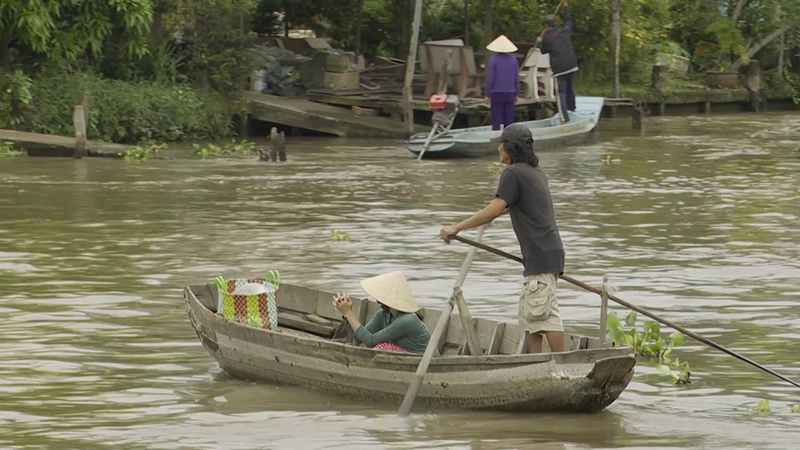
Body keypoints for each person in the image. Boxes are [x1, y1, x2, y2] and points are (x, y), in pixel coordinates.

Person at [438, 124, 565, 354]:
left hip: (540, 255)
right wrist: (484, 217)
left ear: (511, 148)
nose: (498, 148)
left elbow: (496, 208)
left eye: (501, 143)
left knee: (544, 316)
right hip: (546, 254)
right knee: (531, 317)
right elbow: (513, 205)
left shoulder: (513, 173)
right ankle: (536, 365)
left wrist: (457, 228)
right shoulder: (536, 173)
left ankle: (565, 363)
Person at [333, 271, 436, 354]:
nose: (377, 301)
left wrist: (349, 314)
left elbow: (370, 341)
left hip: (423, 362)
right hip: (404, 356)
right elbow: (359, 338)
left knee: (381, 347)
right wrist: (347, 314)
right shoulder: (384, 314)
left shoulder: (407, 320)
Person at [537, 0, 578, 123]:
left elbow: (543, 51)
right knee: (570, 88)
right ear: (555, 23)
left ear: (546, 26)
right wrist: (566, 7)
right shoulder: (564, 31)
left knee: (561, 93)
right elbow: (569, 21)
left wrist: (539, 42)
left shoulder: (547, 38)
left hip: (559, 69)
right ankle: (572, 109)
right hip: (571, 65)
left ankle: (564, 117)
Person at [485, 34, 520, 131]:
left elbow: (490, 78)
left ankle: (496, 140)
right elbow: (516, 78)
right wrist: (517, 93)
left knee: (496, 120)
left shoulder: (493, 59)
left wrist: (487, 93)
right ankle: (508, 140)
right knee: (509, 121)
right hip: (510, 93)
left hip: (497, 93)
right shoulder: (513, 60)